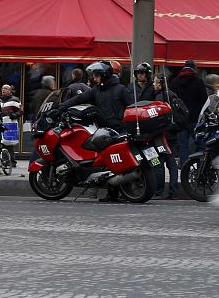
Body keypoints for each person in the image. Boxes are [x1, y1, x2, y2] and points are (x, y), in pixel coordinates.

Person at [57, 61, 135, 202]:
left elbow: (132, 108)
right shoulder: (96, 90)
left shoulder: (121, 89)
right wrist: (61, 107)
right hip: (105, 131)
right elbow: (79, 98)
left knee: (116, 160)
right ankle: (110, 192)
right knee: (107, 161)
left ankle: (116, 192)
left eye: (97, 76)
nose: (94, 78)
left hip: (119, 130)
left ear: (104, 76)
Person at [170, 60, 208, 166]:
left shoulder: (175, 82)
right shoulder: (198, 82)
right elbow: (204, 100)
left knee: (183, 146)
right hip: (195, 118)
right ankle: (197, 167)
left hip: (180, 119)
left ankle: (184, 167)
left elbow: (171, 100)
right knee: (198, 143)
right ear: (194, 68)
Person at [151, 74, 180, 200]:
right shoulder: (173, 94)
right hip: (172, 134)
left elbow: (157, 116)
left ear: (160, 84)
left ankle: (158, 191)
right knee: (172, 163)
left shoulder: (160, 97)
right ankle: (173, 192)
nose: (153, 84)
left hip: (162, 135)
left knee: (157, 162)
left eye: (155, 82)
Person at [0, 84, 22, 167]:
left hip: (10, 123)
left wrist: (13, 116)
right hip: (0, 122)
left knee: (9, 143)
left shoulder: (15, 100)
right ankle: (5, 160)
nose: (3, 90)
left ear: (10, 91)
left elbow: (20, 111)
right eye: (2, 88)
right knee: (1, 142)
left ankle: (11, 161)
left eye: (6, 88)